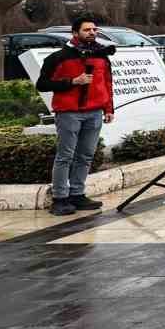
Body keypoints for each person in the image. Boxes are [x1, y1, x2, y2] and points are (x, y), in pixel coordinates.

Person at [35, 15, 115, 214]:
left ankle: (77, 194)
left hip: (95, 112)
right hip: (69, 113)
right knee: (65, 156)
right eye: (87, 30)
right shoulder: (58, 57)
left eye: (94, 30)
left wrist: (109, 108)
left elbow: (107, 83)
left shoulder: (101, 56)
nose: (92, 33)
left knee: (86, 155)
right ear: (75, 33)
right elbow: (42, 84)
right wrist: (72, 82)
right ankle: (60, 198)